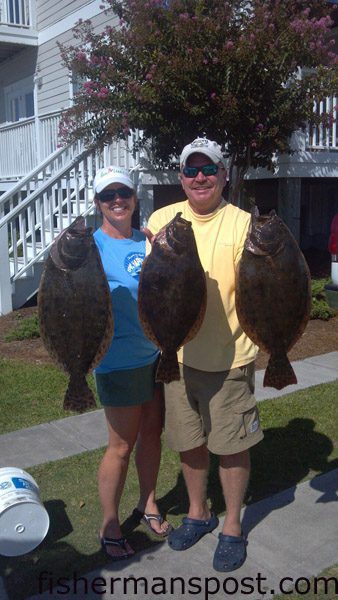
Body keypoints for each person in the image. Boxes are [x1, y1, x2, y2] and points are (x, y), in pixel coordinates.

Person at [145, 138, 264, 572]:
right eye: (191, 171)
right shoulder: (161, 220)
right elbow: (155, 292)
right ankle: (198, 512)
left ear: (223, 175)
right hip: (176, 357)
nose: (200, 178)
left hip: (229, 357)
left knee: (231, 446)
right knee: (189, 442)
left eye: (208, 170)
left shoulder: (244, 224)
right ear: (180, 177)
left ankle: (232, 525)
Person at [93, 165, 171, 561]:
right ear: (98, 204)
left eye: (123, 192)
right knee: (120, 446)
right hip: (117, 361)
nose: (117, 200)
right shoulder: (88, 248)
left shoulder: (147, 242)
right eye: (108, 196)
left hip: (155, 355)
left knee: (153, 434)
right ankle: (109, 525)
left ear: (135, 198)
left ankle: (148, 503)